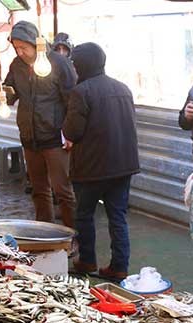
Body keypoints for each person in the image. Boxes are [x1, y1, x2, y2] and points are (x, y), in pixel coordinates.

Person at [63, 42, 140, 281]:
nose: (74, 69)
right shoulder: (123, 88)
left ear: (83, 64)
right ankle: (119, 266)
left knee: (85, 214)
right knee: (117, 216)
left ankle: (87, 260)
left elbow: (73, 131)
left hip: (91, 168)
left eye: (75, 64)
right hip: (123, 166)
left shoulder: (81, 91)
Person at [4, 21, 77, 228]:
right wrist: (4, 93)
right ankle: (45, 232)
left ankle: (73, 236)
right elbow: (11, 92)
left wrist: (70, 134)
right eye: (16, 48)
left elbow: (72, 100)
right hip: (29, 137)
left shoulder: (58, 63)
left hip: (55, 138)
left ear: (35, 44)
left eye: (23, 48)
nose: (20, 52)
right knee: (39, 189)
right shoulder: (16, 66)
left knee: (62, 191)